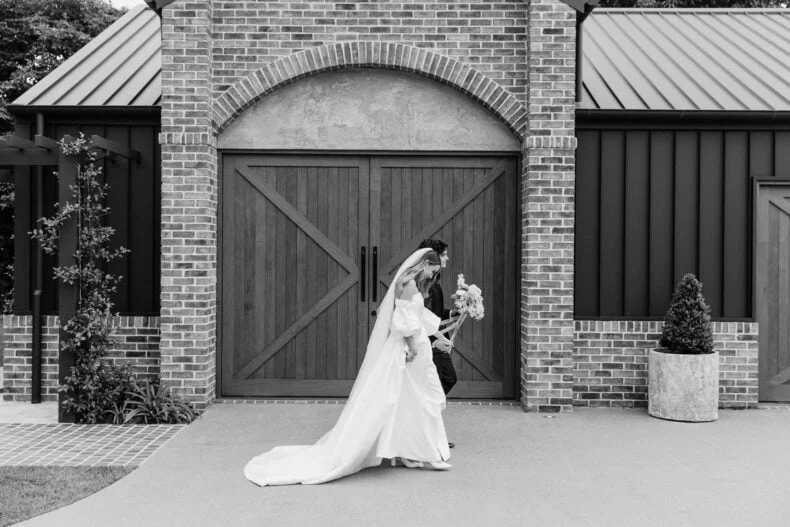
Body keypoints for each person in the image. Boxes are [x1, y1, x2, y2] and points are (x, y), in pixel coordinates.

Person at [243, 249, 452, 487]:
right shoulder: (409, 285)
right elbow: (404, 320)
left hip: (416, 346)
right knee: (419, 398)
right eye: (433, 270)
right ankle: (426, 454)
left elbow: (418, 316)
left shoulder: (408, 284)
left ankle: (413, 452)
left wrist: (438, 334)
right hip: (409, 349)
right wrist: (412, 347)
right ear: (424, 264)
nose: (433, 275)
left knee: (411, 399)